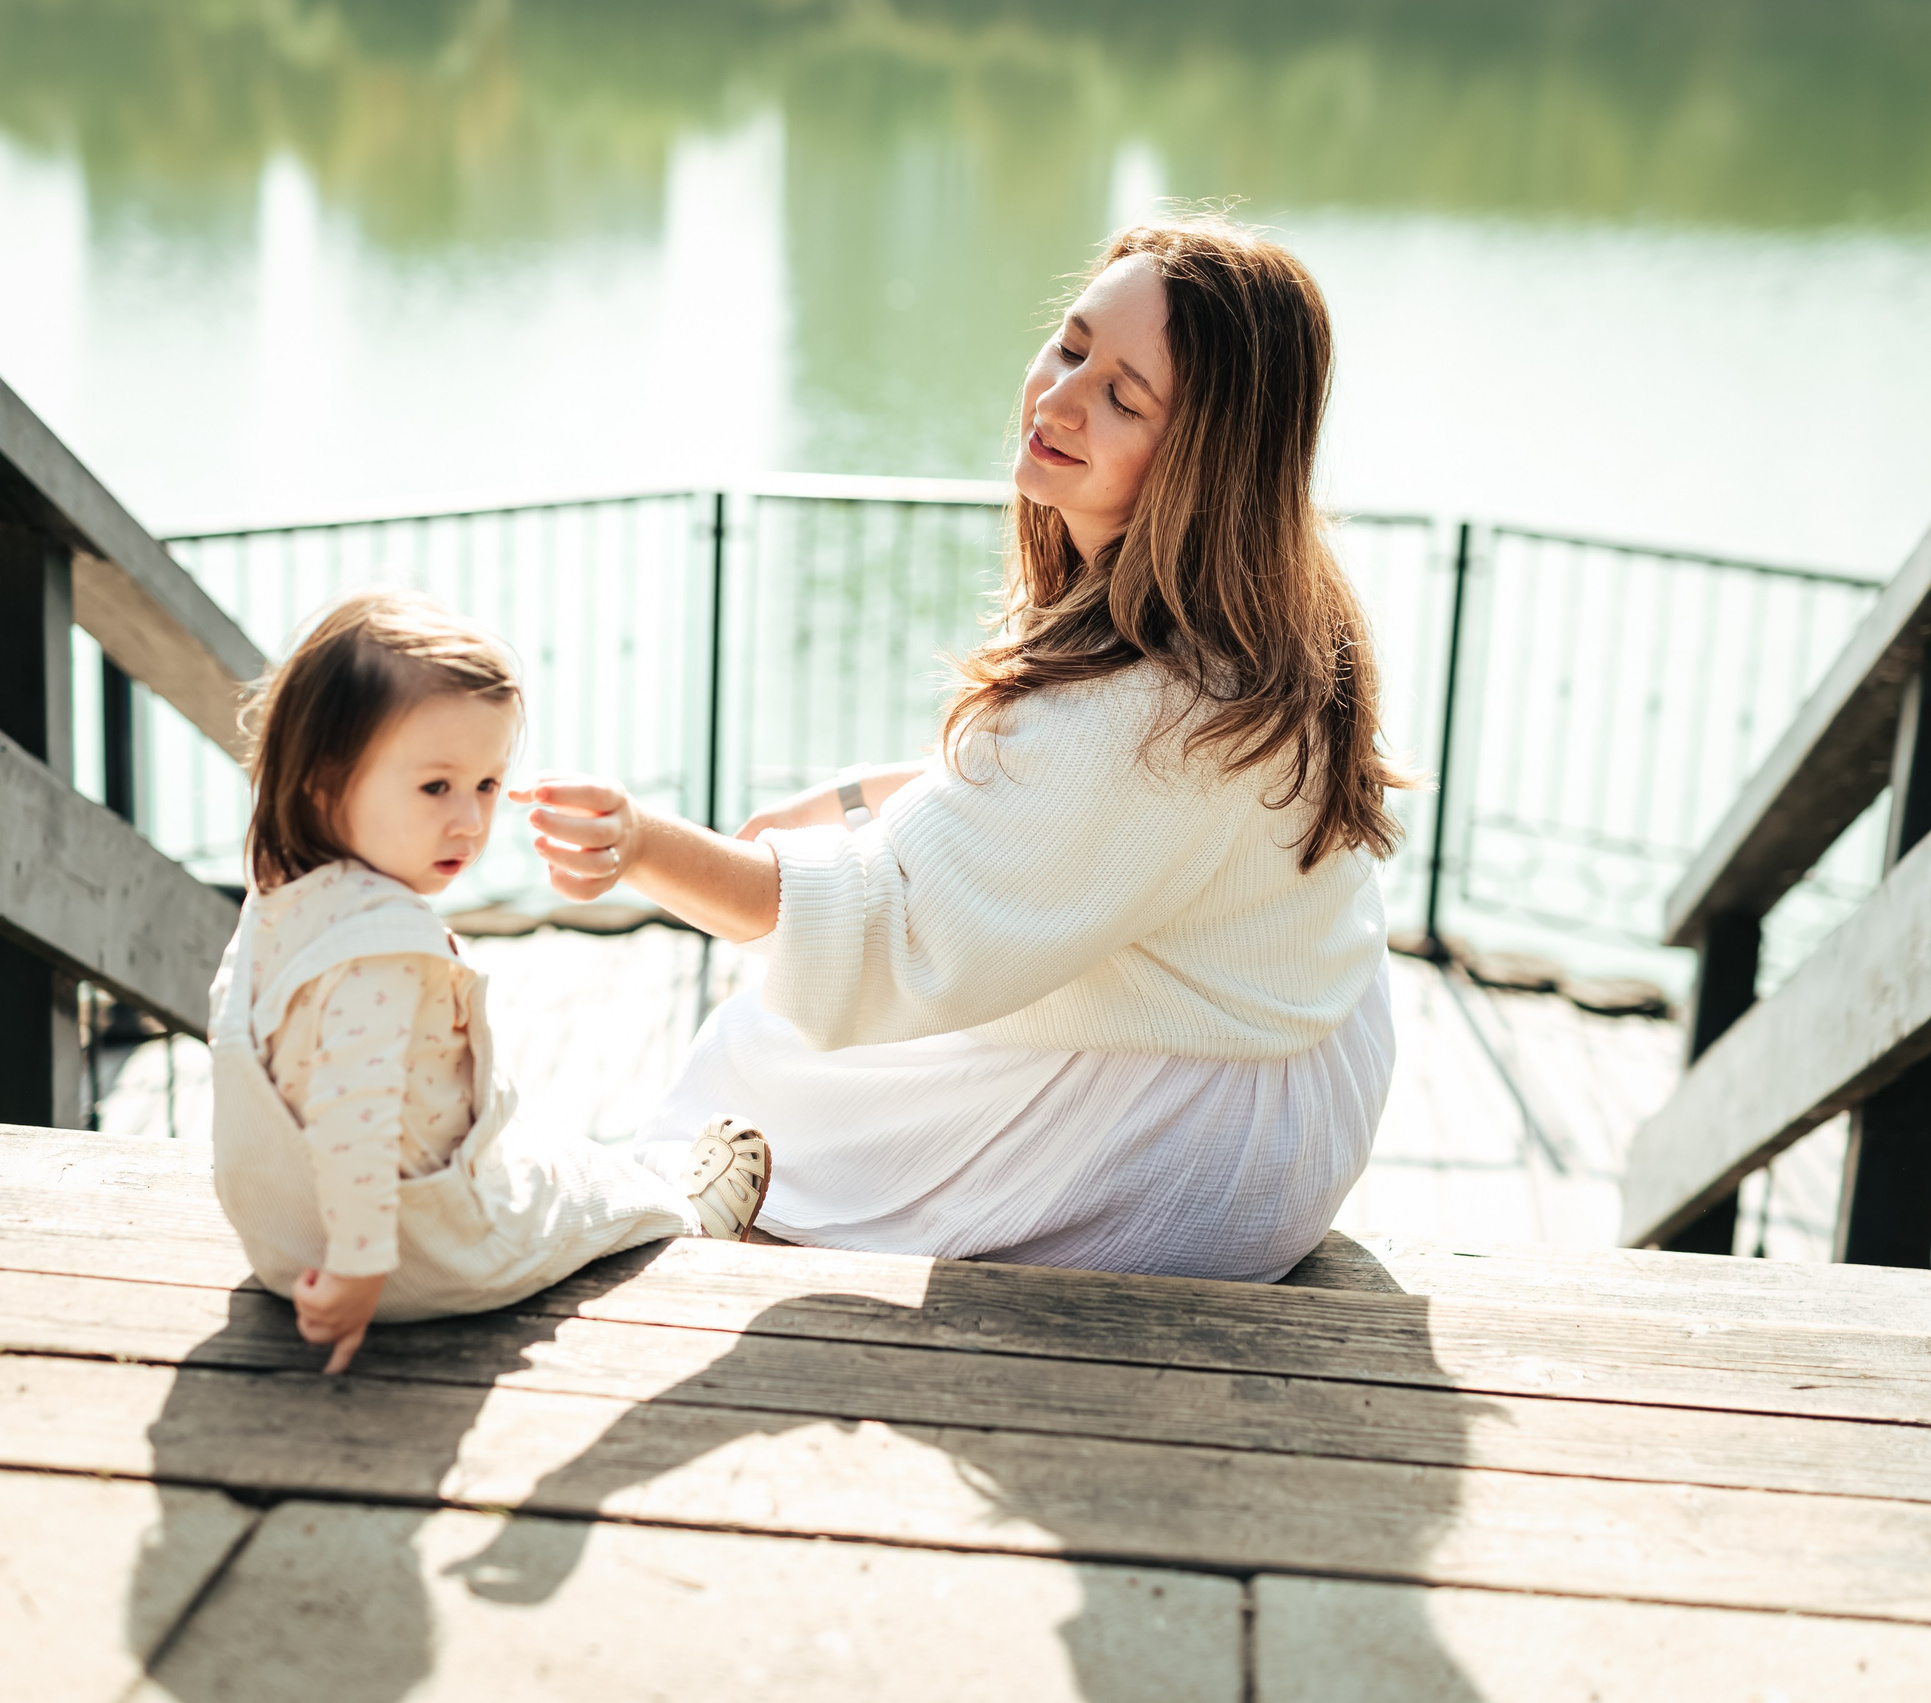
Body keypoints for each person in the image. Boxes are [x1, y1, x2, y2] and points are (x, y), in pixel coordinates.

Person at [517, 215, 1407, 1284]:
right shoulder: (1264, 606)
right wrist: (854, 795)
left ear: (1206, 463)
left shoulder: (1159, 718)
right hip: (1293, 1036)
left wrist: (641, 844)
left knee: (770, 1060)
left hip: (1212, 1138)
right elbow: (1048, 806)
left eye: (1124, 398)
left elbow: (887, 931)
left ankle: (731, 1230)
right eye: (1071, 345)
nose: (1060, 399)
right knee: (794, 1062)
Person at [207, 589, 771, 1374]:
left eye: (486, 785)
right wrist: (360, 1271)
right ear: (324, 781)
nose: (470, 822)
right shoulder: (381, 953)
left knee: (533, 1142)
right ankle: (688, 1215)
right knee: (580, 1182)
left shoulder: (279, 894)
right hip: (409, 1257)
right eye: (436, 787)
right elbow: (353, 1116)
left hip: (283, 1241)